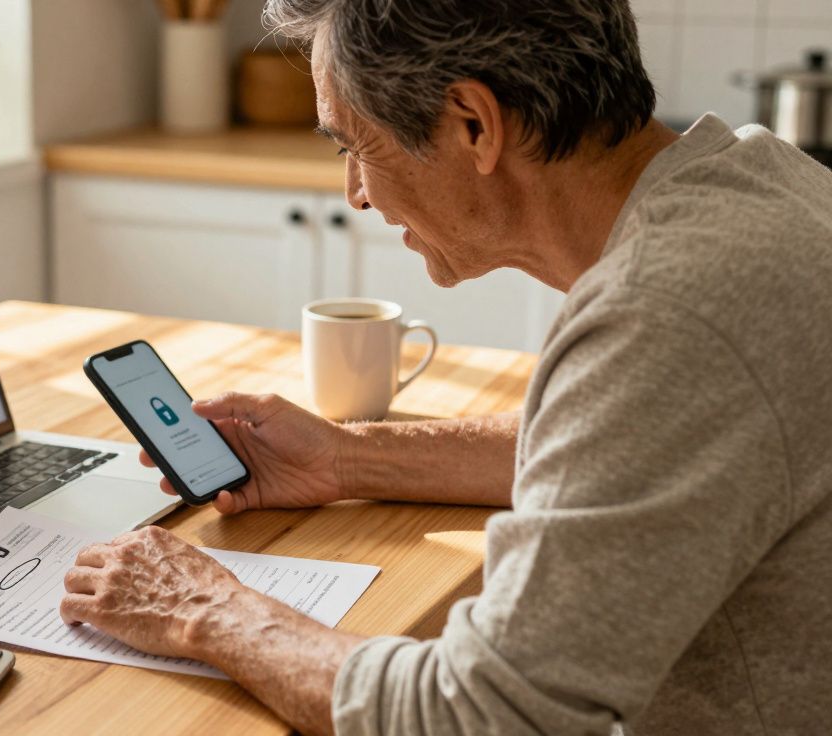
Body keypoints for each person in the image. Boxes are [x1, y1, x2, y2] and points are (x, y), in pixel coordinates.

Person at [59, 1, 832, 734]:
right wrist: (347, 456)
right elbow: (628, 445)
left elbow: (479, 715)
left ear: (473, 124)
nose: (355, 194)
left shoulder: (664, 312)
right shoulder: (764, 182)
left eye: (354, 146)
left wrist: (207, 611)